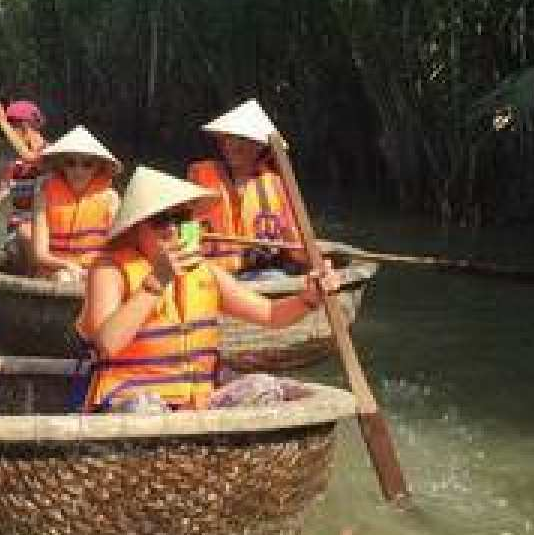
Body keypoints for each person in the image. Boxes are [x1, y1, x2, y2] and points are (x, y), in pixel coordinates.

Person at [76, 166, 339, 413]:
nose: (172, 229)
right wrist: (155, 284)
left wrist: (309, 298)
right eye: (159, 220)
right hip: (133, 401)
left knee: (263, 387)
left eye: (180, 218)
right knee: (143, 408)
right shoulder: (109, 270)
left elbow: (271, 314)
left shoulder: (206, 272)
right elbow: (106, 344)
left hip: (198, 405)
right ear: (135, 231)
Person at [186, 98, 304, 277]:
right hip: (211, 272)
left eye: (241, 139)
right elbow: (187, 229)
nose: (231, 145)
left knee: (273, 276)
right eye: (228, 138)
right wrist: (190, 254)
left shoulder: (275, 184)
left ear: (259, 146)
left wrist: (311, 258)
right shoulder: (200, 175)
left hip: (261, 272)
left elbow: (292, 240)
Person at [28, 126, 121, 283]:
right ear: (61, 165)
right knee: (64, 277)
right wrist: (69, 266)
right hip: (55, 269)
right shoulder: (43, 196)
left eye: (87, 164)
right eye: (71, 163)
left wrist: (94, 271)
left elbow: (119, 248)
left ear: (98, 166)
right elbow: (40, 254)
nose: (78, 170)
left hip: (97, 269)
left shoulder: (111, 198)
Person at [0, 99, 48, 268]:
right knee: (24, 232)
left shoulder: (54, 157)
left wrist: (2, 123)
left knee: (31, 233)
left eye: (11, 130)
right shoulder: (14, 169)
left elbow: (31, 157)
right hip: (18, 239)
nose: (7, 138)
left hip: (47, 235)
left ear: (23, 128)